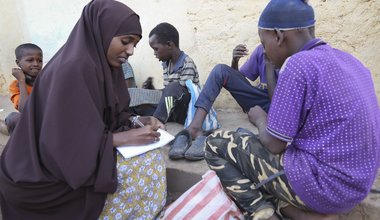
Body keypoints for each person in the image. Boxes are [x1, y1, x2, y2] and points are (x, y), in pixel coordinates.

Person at [204, 0, 380, 220]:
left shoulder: (297, 65)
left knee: (216, 143)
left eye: (263, 42)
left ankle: (262, 211)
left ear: (278, 36)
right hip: (358, 186)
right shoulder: (351, 61)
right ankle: (301, 214)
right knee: (250, 145)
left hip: (325, 188)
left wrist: (259, 119)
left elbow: (275, 144)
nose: (264, 50)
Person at [0, 1, 167, 219]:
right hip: (42, 176)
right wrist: (121, 139)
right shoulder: (73, 69)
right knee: (138, 169)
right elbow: (61, 144)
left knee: (151, 154)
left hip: (78, 153)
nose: (131, 51)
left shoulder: (106, 67)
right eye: (126, 42)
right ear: (102, 32)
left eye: (135, 44)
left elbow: (107, 114)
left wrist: (138, 120)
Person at [148, 22, 200, 124]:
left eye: (156, 49)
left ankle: (157, 121)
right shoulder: (166, 64)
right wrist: (151, 91)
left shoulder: (186, 63)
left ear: (169, 45)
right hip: (173, 110)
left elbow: (182, 93)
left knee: (173, 87)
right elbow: (168, 95)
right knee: (145, 98)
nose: (155, 53)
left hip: (187, 111)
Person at [0, 43, 43, 136]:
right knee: (13, 118)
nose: (36, 64)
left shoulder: (47, 79)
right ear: (18, 63)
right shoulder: (15, 85)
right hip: (31, 119)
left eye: (40, 60)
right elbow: (24, 109)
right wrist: (21, 81)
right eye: (30, 60)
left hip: (49, 118)